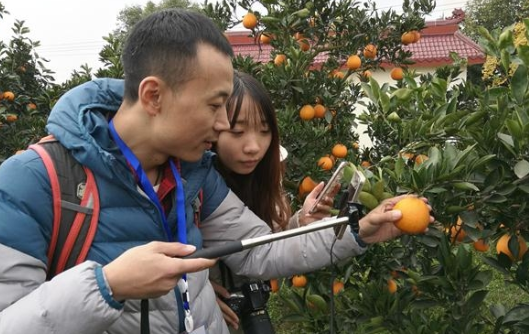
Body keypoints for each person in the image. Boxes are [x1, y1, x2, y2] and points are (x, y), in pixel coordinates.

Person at [0, 8, 432, 334]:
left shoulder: (193, 175)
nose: (224, 125)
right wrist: (108, 284)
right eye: (214, 106)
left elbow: (260, 249)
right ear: (153, 96)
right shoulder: (33, 183)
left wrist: (356, 231)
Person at [208, 71, 337, 332]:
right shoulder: (194, 188)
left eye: (264, 131)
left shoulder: (264, 181)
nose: (253, 146)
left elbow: (266, 249)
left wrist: (301, 221)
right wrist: (198, 289)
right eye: (238, 132)